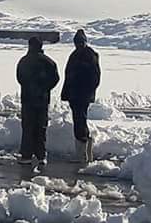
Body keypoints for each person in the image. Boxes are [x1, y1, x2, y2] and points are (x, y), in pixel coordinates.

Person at [16, 37, 60, 165]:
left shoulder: (24, 61)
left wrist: (29, 87)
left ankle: (26, 155)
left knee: (28, 126)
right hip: (42, 99)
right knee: (41, 127)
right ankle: (41, 155)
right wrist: (45, 88)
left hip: (27, 99)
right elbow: (55, 78)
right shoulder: (48, 62)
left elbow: (19, 77)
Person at [61, 29, 101, 164]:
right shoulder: (76, 55)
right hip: (76, 94)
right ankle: (85, 152)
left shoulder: (88, 55)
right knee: (79, 120)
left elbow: (94, 77)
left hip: (81, 95)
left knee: (80, 121)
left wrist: (86, 91)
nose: (78, 44)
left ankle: (82, 153)